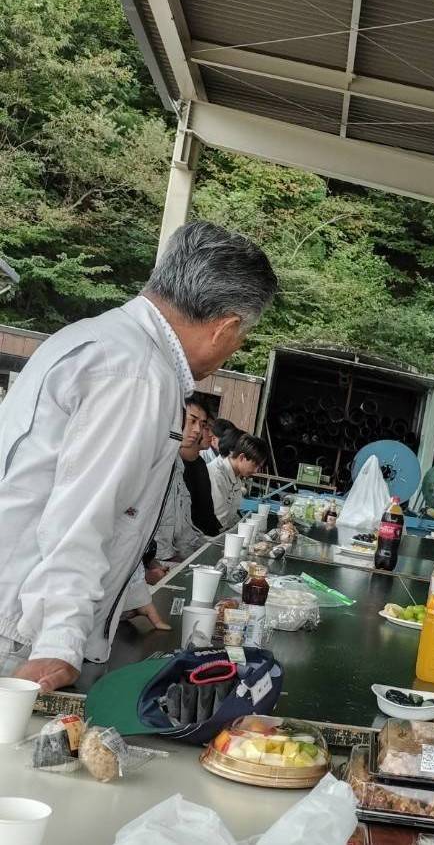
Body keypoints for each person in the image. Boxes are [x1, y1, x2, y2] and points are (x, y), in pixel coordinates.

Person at [0, 221, 277, 691]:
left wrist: (128, 590)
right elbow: (82, 515)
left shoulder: (103, 338)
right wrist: (59, 642)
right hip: (25, 631)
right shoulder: (138, 375)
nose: (236, 347)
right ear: (226, 326)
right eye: (242, 336)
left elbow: (111, 503)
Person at [153, 396, 210, 562]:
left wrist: (212, 546)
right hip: (151, 562)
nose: (198, 430)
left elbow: (185, 530)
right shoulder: (154, 459)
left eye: (202, 424)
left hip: (167, 559)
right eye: (192, 421)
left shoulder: (178, 464)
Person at [208, 433, 269, 527]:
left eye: (259, 467)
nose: (256, 471)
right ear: (242, 457)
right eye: (255, 465)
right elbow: (218, 518)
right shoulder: (217, 475)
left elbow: (231, 515)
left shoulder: (236, 478)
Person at [182, 398, 222, 537]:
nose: (198, 430)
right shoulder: (171, 463)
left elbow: (207, 511)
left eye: (202, 425)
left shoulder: (200, 464)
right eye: (207, 428)